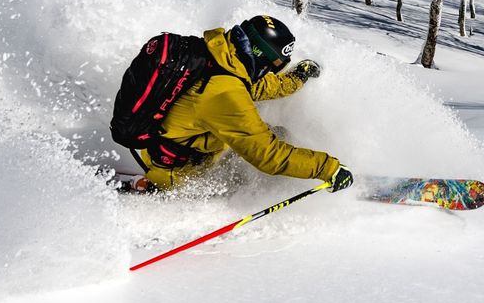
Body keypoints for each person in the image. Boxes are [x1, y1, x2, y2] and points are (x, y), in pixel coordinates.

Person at [122, 14, 353, 195]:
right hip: (184, 173)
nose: (270, 72)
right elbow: (268, 155)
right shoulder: (224, 94)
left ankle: (151, 179)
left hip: (185, 147)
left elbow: (258, 86)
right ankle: (154, 187)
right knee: (269, 150)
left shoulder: (221, 58)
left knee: (278, 134)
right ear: (260, 57)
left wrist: (296, 79)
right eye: (272, 66)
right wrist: (327, 168)